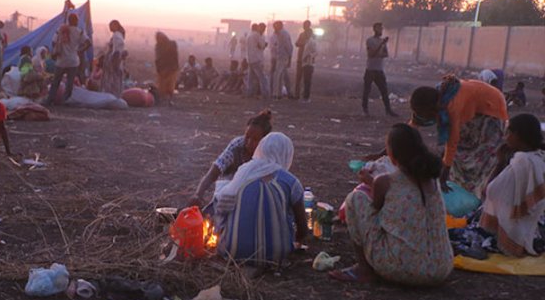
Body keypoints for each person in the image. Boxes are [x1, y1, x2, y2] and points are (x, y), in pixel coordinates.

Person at [330, 124, 453, 285]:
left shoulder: (385, 181)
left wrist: (370, 182)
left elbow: (375, 212)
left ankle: (364, 270)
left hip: (402, 269)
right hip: (441, 267)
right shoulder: (432, 179)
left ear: (393, 155)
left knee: (355, 199)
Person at [214, 132, 308, 266]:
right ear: (287, 154)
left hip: (233, 252)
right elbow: (303, 229)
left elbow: (223, 204)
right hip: (276, 255)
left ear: (261, 149)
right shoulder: (291, 182)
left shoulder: (243, 172)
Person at [410, 76, 508, 198]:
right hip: (475, 105)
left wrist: (444, 174)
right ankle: (464, 182)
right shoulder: (437, 97)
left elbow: (452, 141)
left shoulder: (453, 107)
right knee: (460, 152)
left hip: (492, 108)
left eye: (425, 114)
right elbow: (414, 122)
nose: (423, 117)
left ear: (433, 108)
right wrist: (392, 144)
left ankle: (480, 188)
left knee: (484, 156)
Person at [479, 114, 545, 257]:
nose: (505, 137)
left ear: (518, 135)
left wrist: (499, 163)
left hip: (519, 228)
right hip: (534, 225)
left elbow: (489, 190)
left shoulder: (522, 163)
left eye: (508, 132)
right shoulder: (537, 157)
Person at [191, 110, 273, 207]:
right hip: (229, 194)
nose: (249, 142)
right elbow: (214, 171)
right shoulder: (237, 146)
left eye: (255, 139)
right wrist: (198, 195)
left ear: (264, 140)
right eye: (247, 137)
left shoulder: (268, 152)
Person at [46, 13, 91, 105]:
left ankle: (50, 100)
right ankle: (65, 101)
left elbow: (53, 42)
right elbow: (88, 42)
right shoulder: (79, 32)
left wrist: (58, 50)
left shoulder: (61, 30)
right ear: (77, 21)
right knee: (69, 83)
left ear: (69, 21)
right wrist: (80, 50)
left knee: (56, 82)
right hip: (73, 61)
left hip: (61, 61)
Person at [363, 22, 397, 117]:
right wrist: (381, 45)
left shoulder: (382, 41)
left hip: (379, 69)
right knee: (367, 90)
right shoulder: (370, 40)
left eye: (382, 29)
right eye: (379, 29)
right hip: (370, 69)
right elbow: (371, 54)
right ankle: (365, 110)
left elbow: (385, 54)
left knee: (384, 90)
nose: (381, 30)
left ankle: (388, 110)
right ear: (374, 29)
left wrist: (381, 48)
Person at [101, 20, 126, 97]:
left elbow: (116, 51)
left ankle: (111, 96)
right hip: (117, 61)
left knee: (112, 80)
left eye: (111, 26)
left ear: (115, 25)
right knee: (116, 79)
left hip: (114, 62)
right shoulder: (119, 35)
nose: (109, 28)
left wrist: (115, 62)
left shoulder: (116, 35)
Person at [154, 31, 179, 106]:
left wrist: (174, 66)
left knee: (170, 85)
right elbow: (157, 58)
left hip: (171, 67)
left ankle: (169, 99)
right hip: (162, 68)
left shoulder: (172, 44)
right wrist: (158, 67)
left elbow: (175, 56)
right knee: (161, 85)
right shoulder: (158, 46)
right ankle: (162, 99)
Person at [294, 21, 317, 102]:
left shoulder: (312, 37)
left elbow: (314, 49)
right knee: (298, 78)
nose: (304, 27)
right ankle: (297, 95)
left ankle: (305, 96)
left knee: (307, 79)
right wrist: (302, 44)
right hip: (300, 59)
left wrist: (303, 44)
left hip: (308, 60)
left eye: (306, 25)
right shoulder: (302, 34)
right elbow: (296, 43)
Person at [246, 23, 269, 99]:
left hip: (250, 59)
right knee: (262, 77)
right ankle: (265, 93)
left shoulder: (249, 36)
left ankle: (249, 93)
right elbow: (261, 46)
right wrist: (265, 45)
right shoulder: (257, 35)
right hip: (257, 59)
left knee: (250, 78)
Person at [272, 21, 293, 99]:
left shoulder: (283, 34)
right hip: (281, 56)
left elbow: (288, 46)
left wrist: (289, 56)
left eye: (275, 26)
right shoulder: (280, 34)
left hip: (283, 57)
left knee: (278, 75)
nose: (274, 29)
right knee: (284, 76)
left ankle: (277, 94)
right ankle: (288, 92)